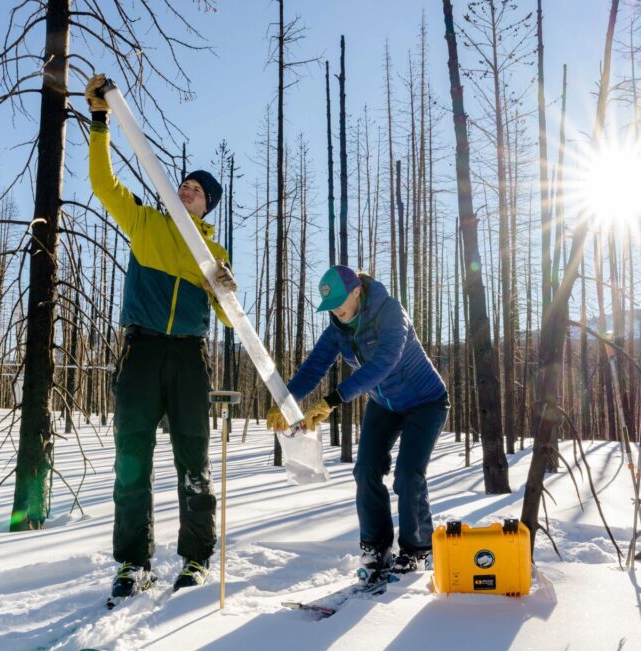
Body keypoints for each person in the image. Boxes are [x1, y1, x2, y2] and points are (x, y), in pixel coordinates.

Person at [85, 74, 237, 602]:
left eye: (196, 190)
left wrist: (223, 288)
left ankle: (195, 559)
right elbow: (104, 186)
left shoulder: (212, 256)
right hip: (142, 350)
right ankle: (132, 563)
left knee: (193, 463)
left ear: (206, 206)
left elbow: (227, 315)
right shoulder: (147, 224)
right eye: (183, 184)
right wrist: (100, 121)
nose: (185, 190)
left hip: (190, 358)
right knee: (132, 462)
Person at [266, 265, 449, 584]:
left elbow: (383, 364)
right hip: (385, 406)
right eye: (330, 306)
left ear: (356, 291)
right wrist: (285, 401)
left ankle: (416, 549)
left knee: (408, 473)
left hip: (425, 402)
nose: (336, 310)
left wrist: (333, 400)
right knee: (365, 469)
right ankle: (377, 548)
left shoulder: (390, 312)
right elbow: (313, 368)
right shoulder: (338, 327)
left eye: (340, 301)